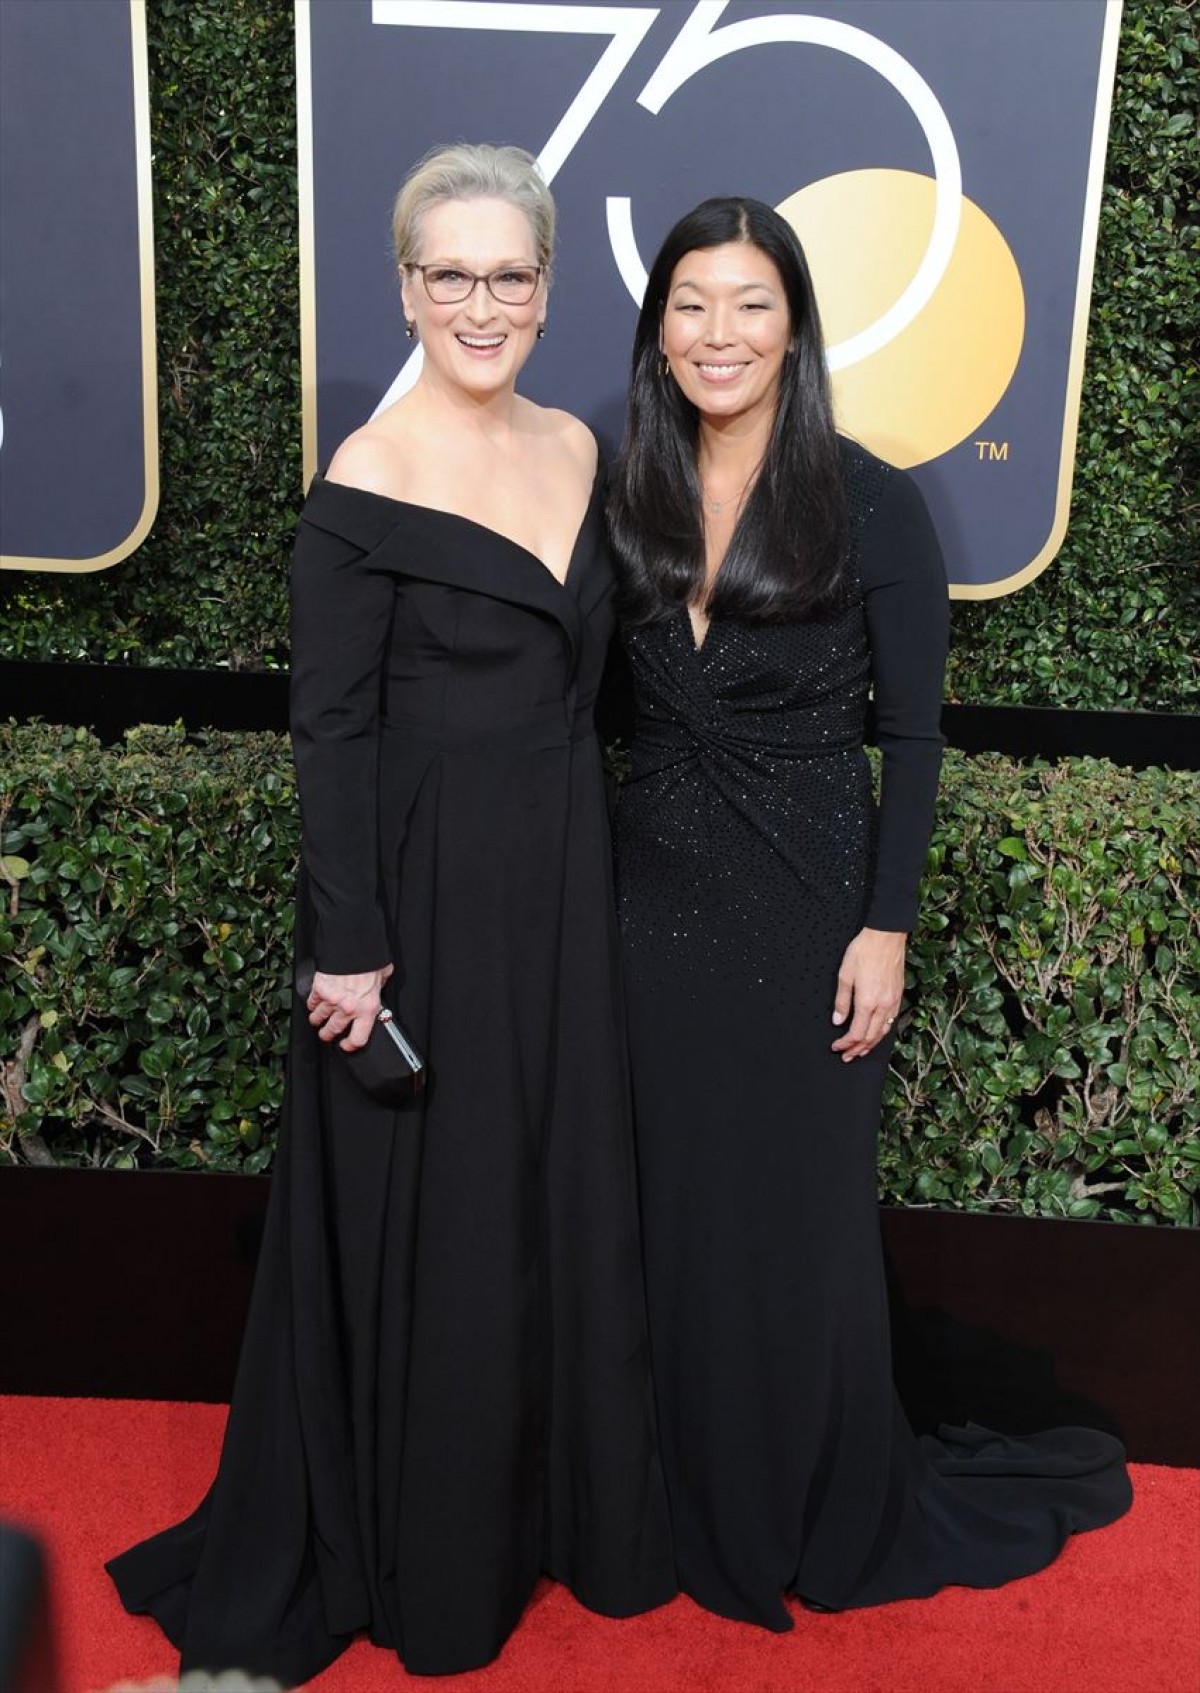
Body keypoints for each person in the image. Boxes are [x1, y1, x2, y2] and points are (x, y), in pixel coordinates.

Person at [107, 143, 674, 1684]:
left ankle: (554, 1504)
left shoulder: (579, 446)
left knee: (552, 1185)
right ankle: (437, 1545)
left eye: (509, 275)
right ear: (406, 287)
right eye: (450, 275)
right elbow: (331, 729)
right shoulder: (366, 479)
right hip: (426, 894)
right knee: (453, 1203)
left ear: (546, 290)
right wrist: (349, 941)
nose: (481, 305)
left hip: (562, 871)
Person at [607, 196, 1131, 1629]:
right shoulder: (626, 491)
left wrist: (883, 927)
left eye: (751, 304)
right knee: (665, 1212)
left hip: (805, 917)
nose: (719, 333)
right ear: (659, 327)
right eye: (693, 304)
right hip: (647, 907)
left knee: (792, 1223)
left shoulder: (871, 497)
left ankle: (796, 1493)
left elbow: (912, 735)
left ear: (795, 326)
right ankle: (672, 1487)